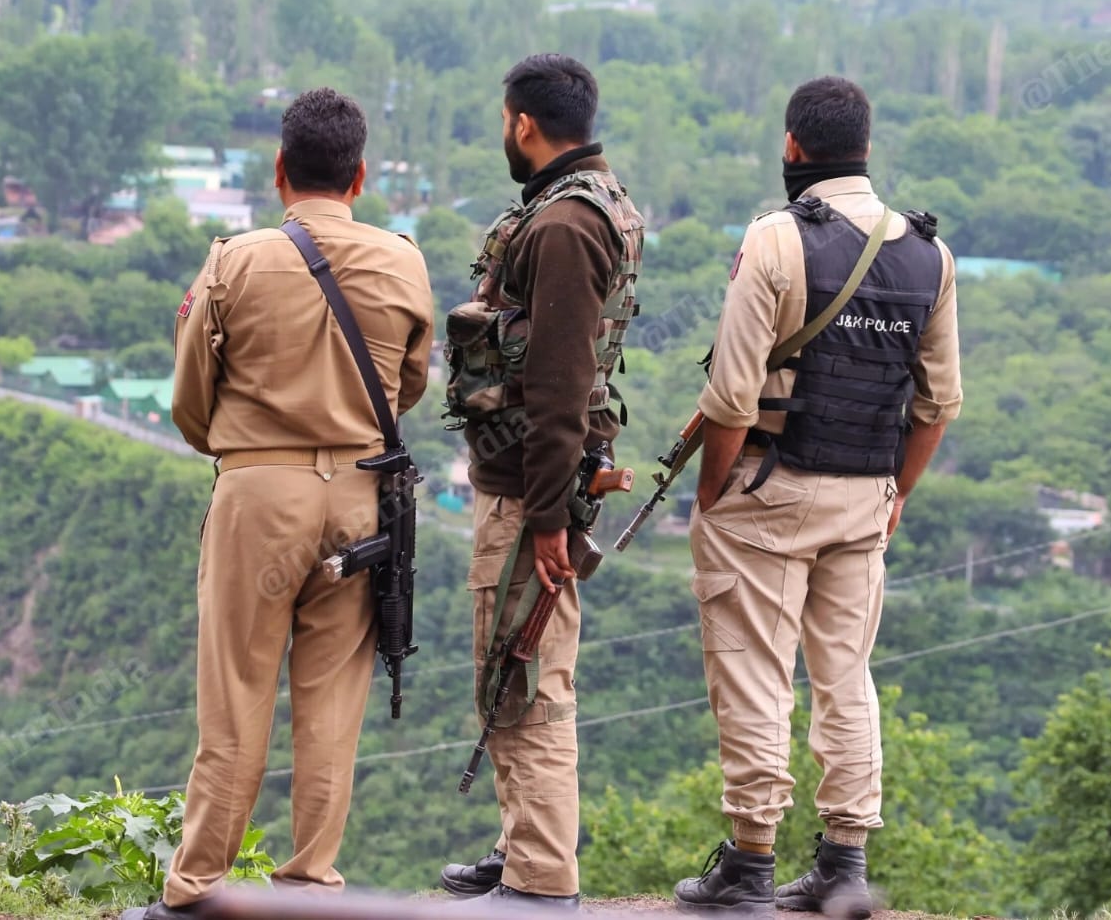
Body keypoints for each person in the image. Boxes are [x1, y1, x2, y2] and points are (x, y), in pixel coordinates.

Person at [125, 88, 433, 919]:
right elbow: (406, 388)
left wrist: (248, 443)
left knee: (236, 697)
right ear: (360, 175)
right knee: (332, 706)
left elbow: (191, 401)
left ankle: (195, 891)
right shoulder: (403, 261)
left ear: (278, 171)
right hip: (365, 501)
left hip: (258, 495)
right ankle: (310, 886)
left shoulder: (234, 260)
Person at [672, 76, 961, 917]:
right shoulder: (929, 254)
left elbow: (729, 398)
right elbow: (939, 404)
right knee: (847, 676)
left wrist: (711, 496)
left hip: (768, 489)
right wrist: (896, 493)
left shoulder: (774, 240)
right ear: (866, 146)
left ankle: (751, 862)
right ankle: (845, 861)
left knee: (757, 671)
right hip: (865, 493)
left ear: (794, 146)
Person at [438, 54, 645, 908]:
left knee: (523, 678)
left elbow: (559, 385)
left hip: (532, 488)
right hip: (543, 479)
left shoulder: (562, 225)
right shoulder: (601, 205)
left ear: (523, 122)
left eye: (503, 120)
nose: (503, 134)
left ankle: (539, 881)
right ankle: (521, 845)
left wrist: (552, 514)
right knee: (519, 667)